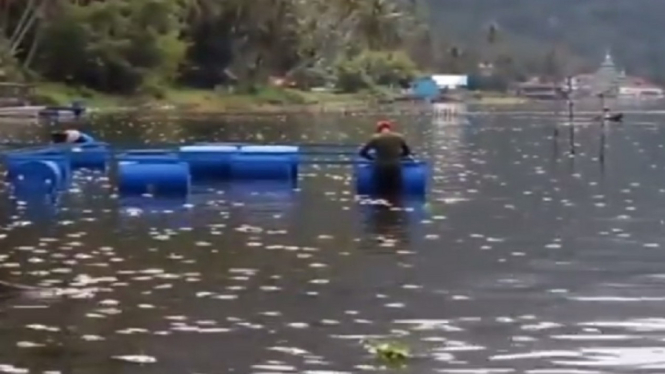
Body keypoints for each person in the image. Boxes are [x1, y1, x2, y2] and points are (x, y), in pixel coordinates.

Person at [359, 120, 413, 197]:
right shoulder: (399, 137)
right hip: (395, 167)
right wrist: (398, 156)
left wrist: (373, 159)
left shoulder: (375, 138)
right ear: (390, 129)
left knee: (381, 193)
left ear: (378, 130)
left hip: (380, 167)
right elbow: (407, 152)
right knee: (395, 192)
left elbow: (362, 153)